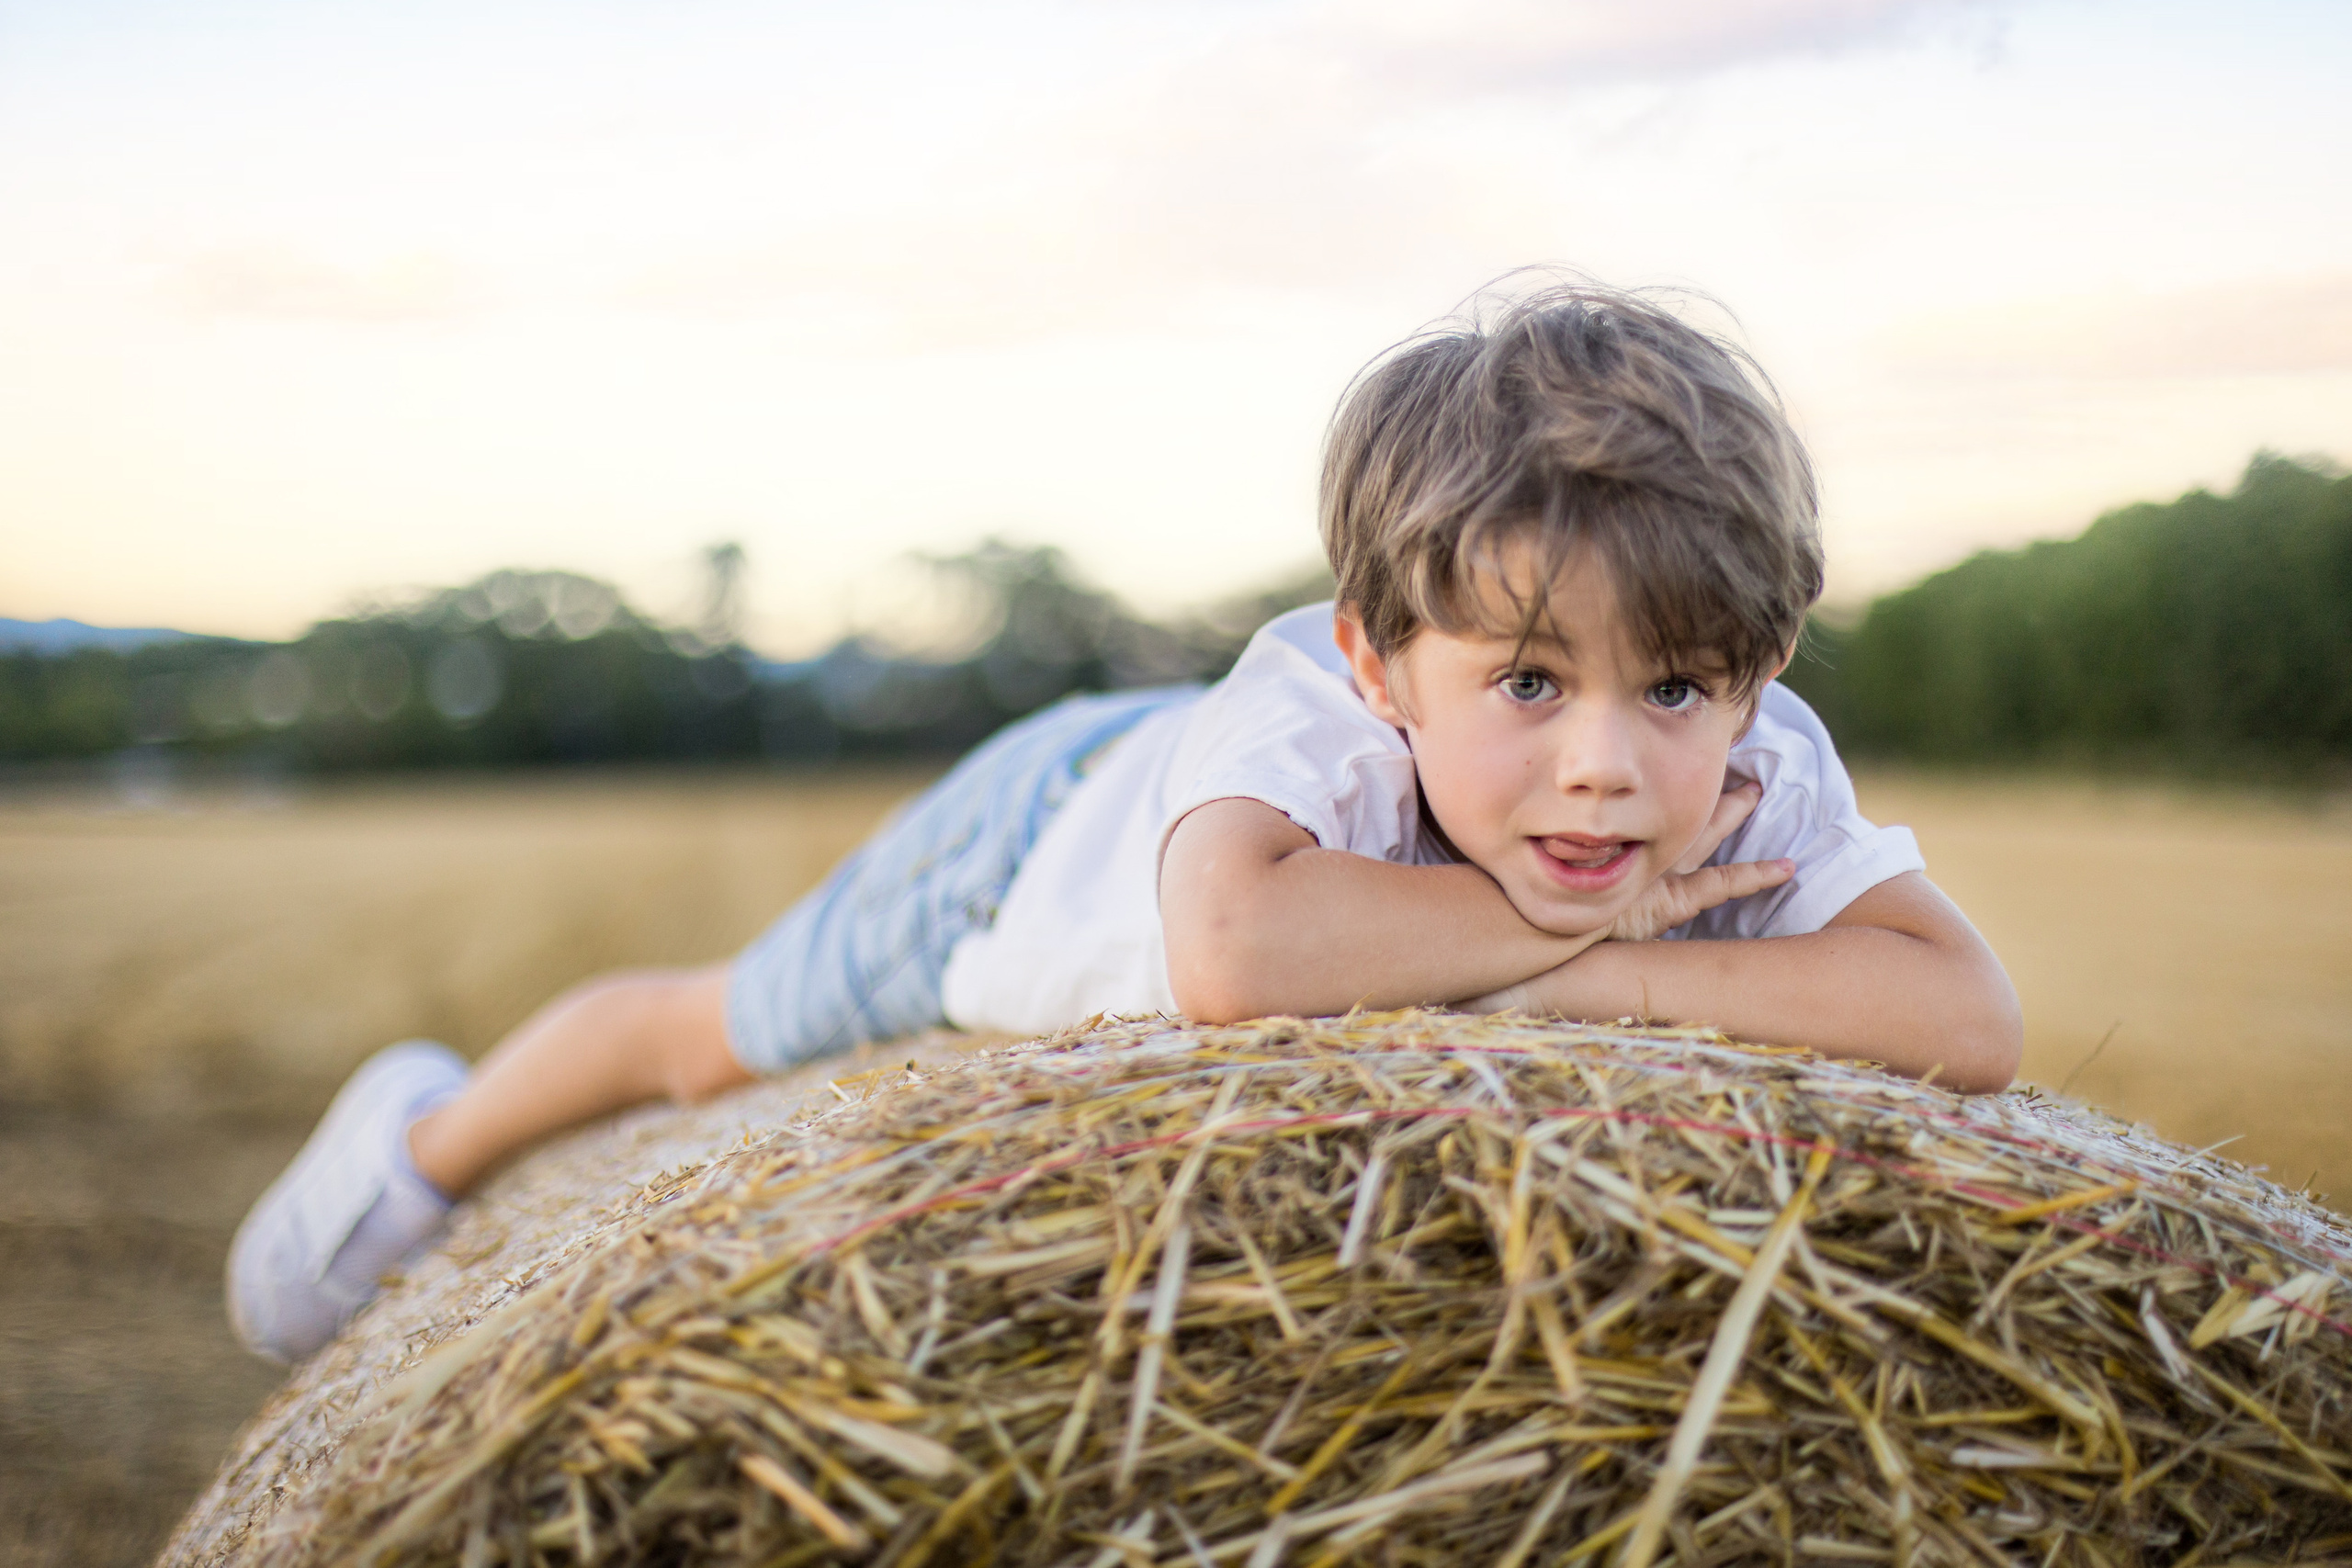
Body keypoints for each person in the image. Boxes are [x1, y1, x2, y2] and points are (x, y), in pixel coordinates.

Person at [227, 281, 2021, 1362]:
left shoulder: (1755, 749)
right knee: (705, 1041)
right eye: (1529, 684)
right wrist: (1600, 931)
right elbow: (1238, 959)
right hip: (1045, 833)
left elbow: (1961, 1018)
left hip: (1170, 818)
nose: (1610, 769)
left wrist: (1601, 981)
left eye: (1678, 690)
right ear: (1381, 656)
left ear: (1760, 660)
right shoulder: (1302, 704)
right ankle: (414, 1150)